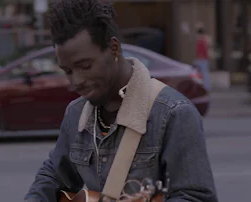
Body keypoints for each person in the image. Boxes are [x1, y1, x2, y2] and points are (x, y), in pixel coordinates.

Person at [25, 0, 218, 201]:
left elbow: (197, 197)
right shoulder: (75, 113)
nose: (76, 82)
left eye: (85, 66)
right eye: (68, 71)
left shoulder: (174, 114)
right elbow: (53, 175)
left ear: (113, 48)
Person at [194, 26, 211, 92]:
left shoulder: (201, 41)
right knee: (204, 73)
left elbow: (202, 51)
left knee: (203, 73)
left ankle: (205, 87)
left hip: (201, 59)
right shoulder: (205, 40)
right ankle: (205, 86)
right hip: (203, 59)